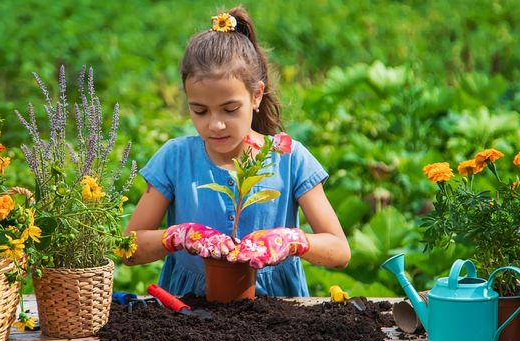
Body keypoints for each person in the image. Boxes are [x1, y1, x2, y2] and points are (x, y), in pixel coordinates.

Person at [123, 6, 350, 297]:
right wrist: (177, 236)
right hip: (189, 312)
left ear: (256, 95)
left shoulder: (290, 158)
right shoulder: (175, 159)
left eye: (230, 109)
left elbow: (340, 251)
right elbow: (128, 250)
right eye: (199, 110)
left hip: (277, 311)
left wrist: (292, 241)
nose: (215, 125)